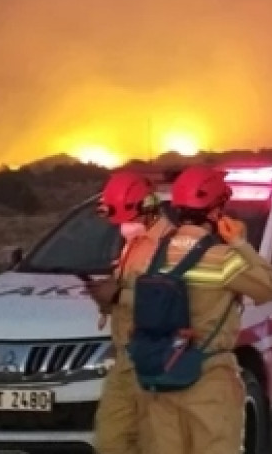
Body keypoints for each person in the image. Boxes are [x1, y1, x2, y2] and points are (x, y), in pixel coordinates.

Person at [122, 165, 272, 454]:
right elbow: (269, 287)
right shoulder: (222, 259)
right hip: (208, 378)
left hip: (159, 377)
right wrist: (240, 243)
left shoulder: (148, 256)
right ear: (216, 211)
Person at [88, 170, 170, 454]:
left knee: (155, 442)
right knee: (112, 441)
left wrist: (119, 295)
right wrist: (105, 299)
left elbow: (171, 300)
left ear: (147, 208)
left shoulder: (170, 246)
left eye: (127, 217)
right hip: (125, 360)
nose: (122, 225)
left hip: (158, 361)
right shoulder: (132, 244)